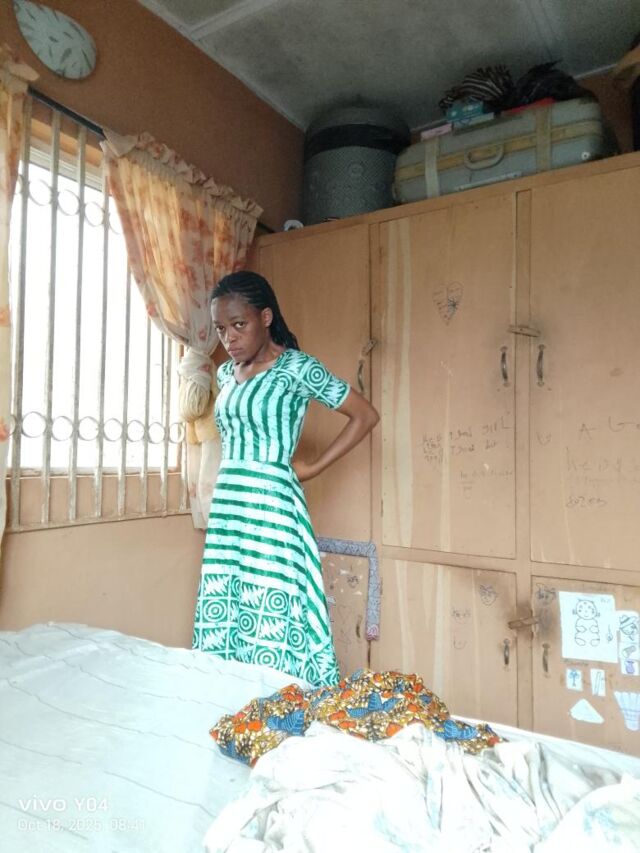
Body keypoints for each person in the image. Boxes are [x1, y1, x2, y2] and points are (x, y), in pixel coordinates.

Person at [192, 271, 379, 687]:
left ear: (266, 317)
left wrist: (314, 466)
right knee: (231, 599)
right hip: (229, 506)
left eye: (239, 324)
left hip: (272, 506)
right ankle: (233, 698)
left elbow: (365, 415)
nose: (229, 337)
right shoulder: (225, 374)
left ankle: (282, 700)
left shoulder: (297, 368)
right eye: (221, 329)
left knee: (273, 604)